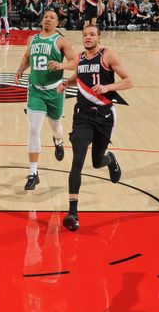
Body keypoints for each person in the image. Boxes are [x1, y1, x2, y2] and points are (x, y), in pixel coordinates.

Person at [55, 26, 132, 231]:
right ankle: (73, 213)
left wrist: (108, 88)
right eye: (85, 35)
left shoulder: (108, 56)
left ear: (99, 37)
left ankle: (110, 160)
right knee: (77, 161)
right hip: (82, 116)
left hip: (104, 116)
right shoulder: (80, 59)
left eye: (91, 35)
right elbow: (77, 77)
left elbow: (129, 81)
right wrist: (65, 84)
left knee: (97, 161)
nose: (87, 37)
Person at [15, 10, 76, 190]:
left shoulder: (61, 41)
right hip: (35, 91)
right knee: (34, 130)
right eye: (46, 17)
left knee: (56, 127)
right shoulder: (32, 39)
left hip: (54, 91)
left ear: (57, 23)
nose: (47, 19)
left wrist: (62, 65)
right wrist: (20, 69)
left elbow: (75, 62)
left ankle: (58, 140)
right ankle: (33, 173)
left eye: (52, 17)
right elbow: (27, 57)